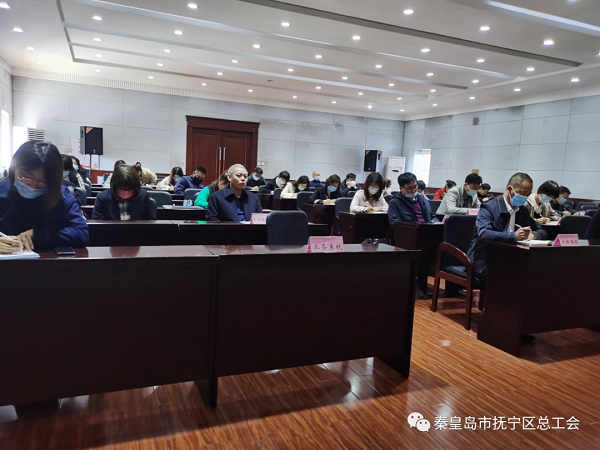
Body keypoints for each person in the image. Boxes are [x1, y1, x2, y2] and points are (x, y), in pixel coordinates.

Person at [0, 141, 89, 253]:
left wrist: (39, 235)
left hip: (48, 261)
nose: (33, 186)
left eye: (43, 181)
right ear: (14, 169)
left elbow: (81, 233)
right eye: (26, 177)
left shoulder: (63, 196)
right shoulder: (2, 191)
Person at [467, 173, 547, 286]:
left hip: (509, 257)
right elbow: (484, 233)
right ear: (510, 189)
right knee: (507, 278)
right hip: (484, 258)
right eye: (523, 193)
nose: (525, 197)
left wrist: (533, 235)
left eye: (528, 194)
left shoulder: (522, 210)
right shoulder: (489, 207)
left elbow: (541, 231)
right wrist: (513, 236)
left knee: (534, 275)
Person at [388, 172, 437, 299]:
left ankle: (422, 286)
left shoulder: (422, 199)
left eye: (414, 187)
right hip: (408, 237)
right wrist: (412, 228)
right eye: (409, 188)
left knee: (434, 248)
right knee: (423, 251)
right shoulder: (395, 202)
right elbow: (395, 223)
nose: (413, 190)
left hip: (426, 234)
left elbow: (432, 216)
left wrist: (436, 222)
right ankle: (416, 286)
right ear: (401, 188)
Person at [92, 165, 157, 220]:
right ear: (114, 187)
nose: (126, 194)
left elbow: (151, 223)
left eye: (130, 190)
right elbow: (97, 225)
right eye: (122, 190)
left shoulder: (143, 196)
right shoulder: (102, 198)